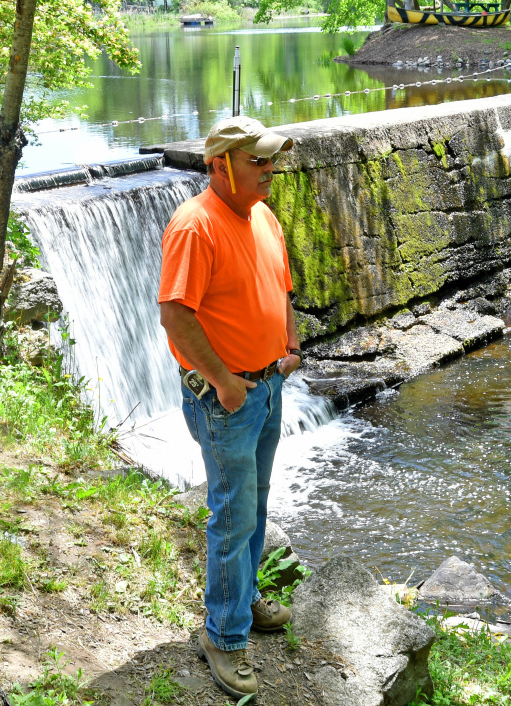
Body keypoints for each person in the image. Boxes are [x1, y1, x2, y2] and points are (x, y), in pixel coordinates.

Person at [158, 116, 303, 700]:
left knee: (256, 504)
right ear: (220, 165)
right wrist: (224, 381)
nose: (270, 171)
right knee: (233, 514)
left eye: (271, 160)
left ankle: (241, 604)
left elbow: (280, 285)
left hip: (267, 386)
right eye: (257, 162)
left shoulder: (262, 215)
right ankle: (223, 635)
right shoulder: (196, 226)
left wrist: (289, 345)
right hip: (228, 398)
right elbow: (176, 315)